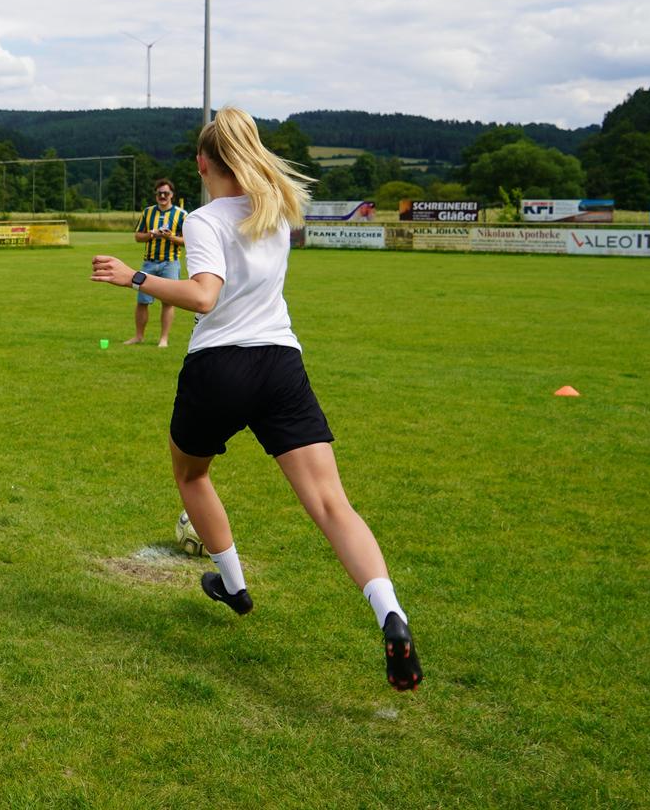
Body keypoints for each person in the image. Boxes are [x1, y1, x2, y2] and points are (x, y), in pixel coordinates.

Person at [90, 107, 421, 691]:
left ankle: (234, 587)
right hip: (280, 363)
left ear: (200, 164)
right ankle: (389, 613)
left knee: (192, 476)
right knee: (331, 503)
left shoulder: (203, 220)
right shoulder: (277, 211)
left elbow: (203, 298)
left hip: (220, 365)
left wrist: (133, 277)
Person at [124, 179, 185, 347]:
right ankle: (138, 336)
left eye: (166, 193)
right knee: (142, 300)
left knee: (168, 302)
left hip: (170, 262)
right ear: (156, 195)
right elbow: (138, 236)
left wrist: (170, 237)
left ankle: (163, 339)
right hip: (149, 263)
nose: (163, 196)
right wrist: (152, 234)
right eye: (160, 193)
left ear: (172, 195)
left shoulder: (181, 214)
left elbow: (188, 240)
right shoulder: (148, 212)